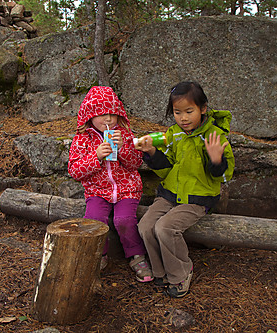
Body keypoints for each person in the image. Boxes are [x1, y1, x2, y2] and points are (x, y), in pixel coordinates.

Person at [136, 81, 235, 297]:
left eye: (189, 111)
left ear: (203, 108)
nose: (183, 118)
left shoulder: (214, 136)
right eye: (177, 112)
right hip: (170, 194)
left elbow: (225, 176)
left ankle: (181, 273)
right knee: (145, 225)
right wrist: (153, 153)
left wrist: (216, 160)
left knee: (165, 227)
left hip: (198, 198)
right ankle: (160, 271)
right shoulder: (174, 134)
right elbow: (167, 167)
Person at [68, 86, 153, 283]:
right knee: (95, 221)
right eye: (101, 114)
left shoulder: (124, 134)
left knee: (123, 221)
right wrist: (96, 156)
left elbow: (135, 163)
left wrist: (124, 148)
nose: (108, 119)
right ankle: (99, 255)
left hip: (126, 189)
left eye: (112, 114)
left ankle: (136, 256)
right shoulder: (82, 139)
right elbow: (75, 170)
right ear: (90, 114)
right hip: (97, 191)